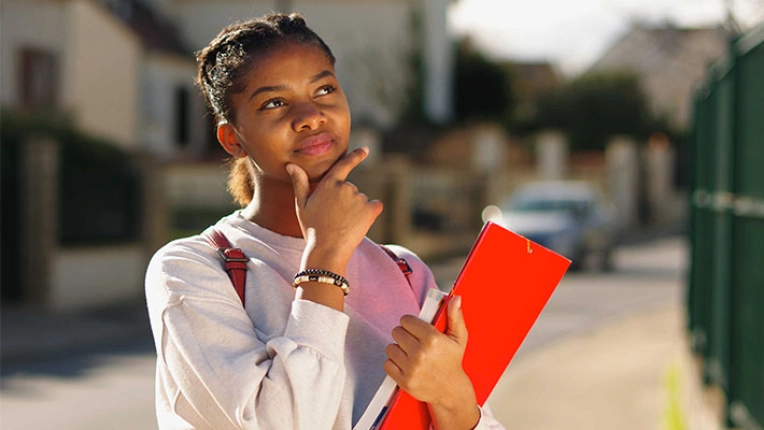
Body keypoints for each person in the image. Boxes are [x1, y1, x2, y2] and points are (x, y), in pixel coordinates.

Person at [145, 12, 505, 430]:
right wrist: (326, 258)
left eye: (325, 89)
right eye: (274, 103)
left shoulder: (405, 272)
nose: (310, 116)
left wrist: (454, 399)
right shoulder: (193, 269)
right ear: (233, 139)